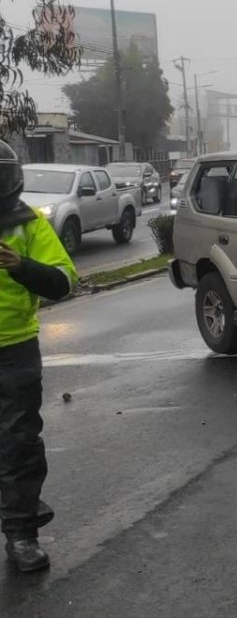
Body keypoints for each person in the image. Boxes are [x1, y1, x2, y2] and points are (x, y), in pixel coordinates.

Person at [0, 140, 76, 572]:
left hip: (13, 349)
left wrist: (20, 266)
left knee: (18, 444)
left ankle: (21, 534)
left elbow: (63, 281)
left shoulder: (26, 223)